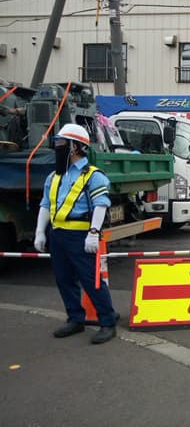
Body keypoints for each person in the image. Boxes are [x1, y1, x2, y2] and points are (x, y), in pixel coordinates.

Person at [34, 124, 117, 344]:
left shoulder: (93, 175)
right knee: (64, 279)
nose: (57, 147)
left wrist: (93, 232)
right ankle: (75, 319)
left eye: (61, 143)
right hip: (57, 235)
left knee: (92, 281)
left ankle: (108, 321)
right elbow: (45, 204)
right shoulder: (54, 176)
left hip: (81, 236)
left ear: (75, 147)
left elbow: (101, 205)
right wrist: (40, 231)